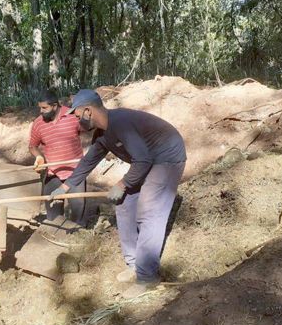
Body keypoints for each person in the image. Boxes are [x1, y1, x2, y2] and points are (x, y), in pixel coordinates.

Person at [50, 89, 186, 298]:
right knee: (123, 204)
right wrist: (64, 188)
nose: (78, 123)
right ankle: (133, 264)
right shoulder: (103, 133)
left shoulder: (120, 123)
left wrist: (122, 183)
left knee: (149, 210)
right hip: (147, 159)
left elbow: (143, 160)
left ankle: (147, 277)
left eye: (78, 117)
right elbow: (88, 161)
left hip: (166, 157)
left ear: (88, 111)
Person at [29, 91, 86, 225]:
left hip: (75, 173)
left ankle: (77, 241)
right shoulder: (38, 123)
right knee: (53, 218)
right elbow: (32, 146)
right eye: (40, 108)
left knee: (78, 213)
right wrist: (39, 157)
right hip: (52, 174)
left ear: (55, 106)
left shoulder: (73, 116)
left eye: (44, 108)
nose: (41, 111)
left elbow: (90, 128)